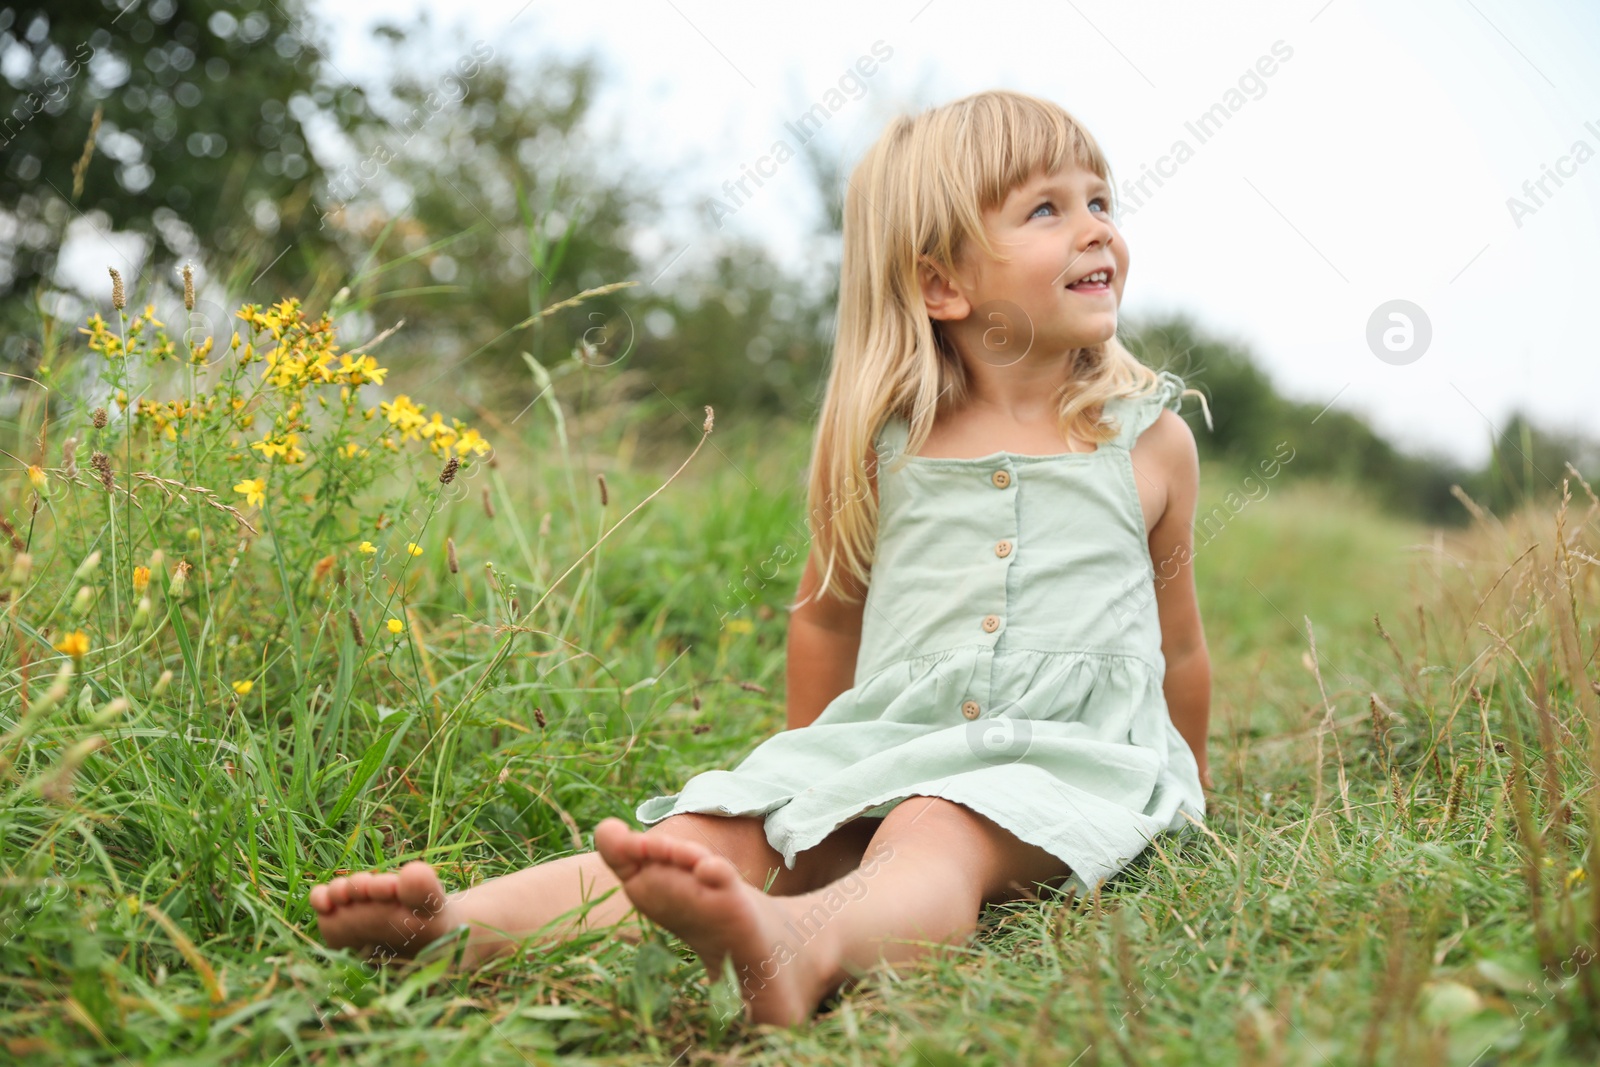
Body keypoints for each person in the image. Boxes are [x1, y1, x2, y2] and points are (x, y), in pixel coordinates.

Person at [309, 88, 1216, 1030]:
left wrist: (1182, 790)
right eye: (1046, 209)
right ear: (943, 284)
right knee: (714, 832)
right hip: (895, 734)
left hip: (1066, 760)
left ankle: (802, 946)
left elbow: (1179, 647)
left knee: (932, 831)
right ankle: (464, 924)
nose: (1094, 231)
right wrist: (811, 794)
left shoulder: (1146, 445)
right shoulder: (886, 445)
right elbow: (826, 615)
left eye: (1100, 200)